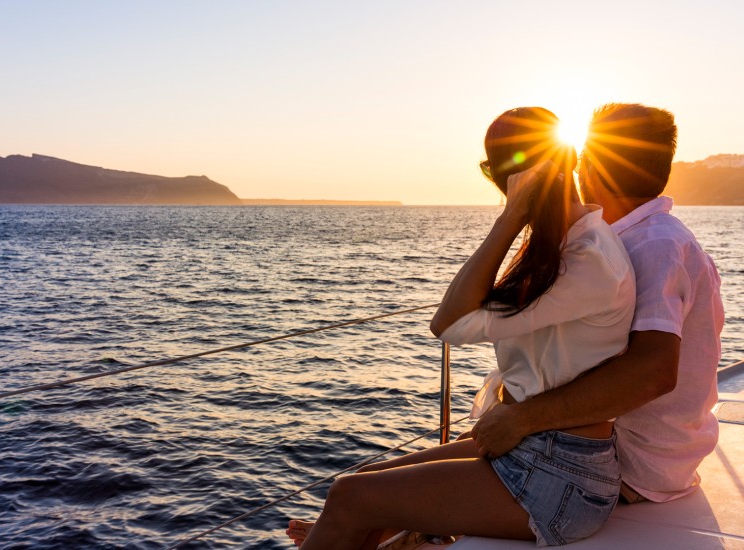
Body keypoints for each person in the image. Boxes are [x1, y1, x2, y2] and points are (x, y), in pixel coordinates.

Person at [286, 106, 637, 549]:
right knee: (365, 482)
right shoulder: (565, 243)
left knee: (349, 497)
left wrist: (511, 216)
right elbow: (457, 319)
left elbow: (447, 323)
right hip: (538, 450)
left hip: (563, 477)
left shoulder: (586, 259)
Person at [470, 104, 724, 504]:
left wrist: (523, 418)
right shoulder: (638, 238)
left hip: (627, 464)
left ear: (590, 166)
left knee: (376, 498)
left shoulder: (655, 245)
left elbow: (654, 372)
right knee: (388, 485)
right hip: (616, 450)